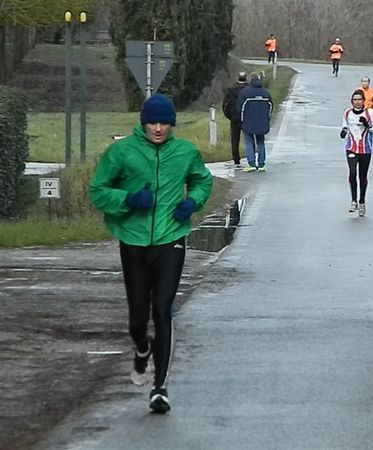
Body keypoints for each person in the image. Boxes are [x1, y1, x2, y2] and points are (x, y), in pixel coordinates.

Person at [89, 94, 213, 414]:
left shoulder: (185, 152)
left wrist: (192, 202)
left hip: (171, 239)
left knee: (163, 310)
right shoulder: (122, 152)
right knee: (137, 319)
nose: (158, 128)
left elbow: (202, 181)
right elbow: (98, 190)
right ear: (143, 122)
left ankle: (160, 387)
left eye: (164, 123)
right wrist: (128, 199)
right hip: (133, 241)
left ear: (172, 124)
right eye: (153, 122)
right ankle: (141, 349)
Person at [340, 89, 373, 217]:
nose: (357, 102)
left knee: (362, 177)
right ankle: (353, 201)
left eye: (359, 100)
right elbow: (345, 126)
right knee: (352, 173)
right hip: (351, 148)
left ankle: (362, 201)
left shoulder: (370, 113)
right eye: (355, 100)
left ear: (363, 101)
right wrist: (343, 131)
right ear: (351, 101)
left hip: (365, 149)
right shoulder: (347, 113)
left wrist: (368, 125)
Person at [237, 72, 273, 172]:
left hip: (248, 122)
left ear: (250, 80)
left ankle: (252, 163)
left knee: (249, 142)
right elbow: (270, 108)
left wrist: (241, 120)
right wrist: (267, 120)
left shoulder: (245, 93)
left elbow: (240, 108)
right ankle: (261, 164)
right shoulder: (266, 93)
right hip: (262, 122)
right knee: (261, 142)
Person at [222, 72, 248, 169]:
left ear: (237, 78)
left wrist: (229, 115)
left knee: (234, 139)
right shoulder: (248, 90)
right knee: (248, 139)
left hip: (234, 117)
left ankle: (236, 160)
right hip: (246, 117)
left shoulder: (231, 90)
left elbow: (225, 105)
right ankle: (251, 157)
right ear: (246, 78)